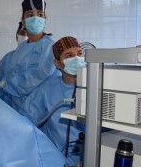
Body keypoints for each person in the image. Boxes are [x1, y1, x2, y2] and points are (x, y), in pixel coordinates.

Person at [13, 36, 86, 166]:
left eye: (79, 53)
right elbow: (27, 118)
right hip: (54, 157)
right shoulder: (48, 88)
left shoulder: (96, 89)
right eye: (69, 56)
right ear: (57, 63)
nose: (77, 58)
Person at [0, 0, 56, 105]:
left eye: (40, 15)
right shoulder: (22, 47)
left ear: (44, 19)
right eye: (30, 15)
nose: (35, 18)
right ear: (23, 21)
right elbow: (8, 72)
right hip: (17, 106)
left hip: (37, 109)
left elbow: (36, 77)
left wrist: (6, 85)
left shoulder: (50, 47)